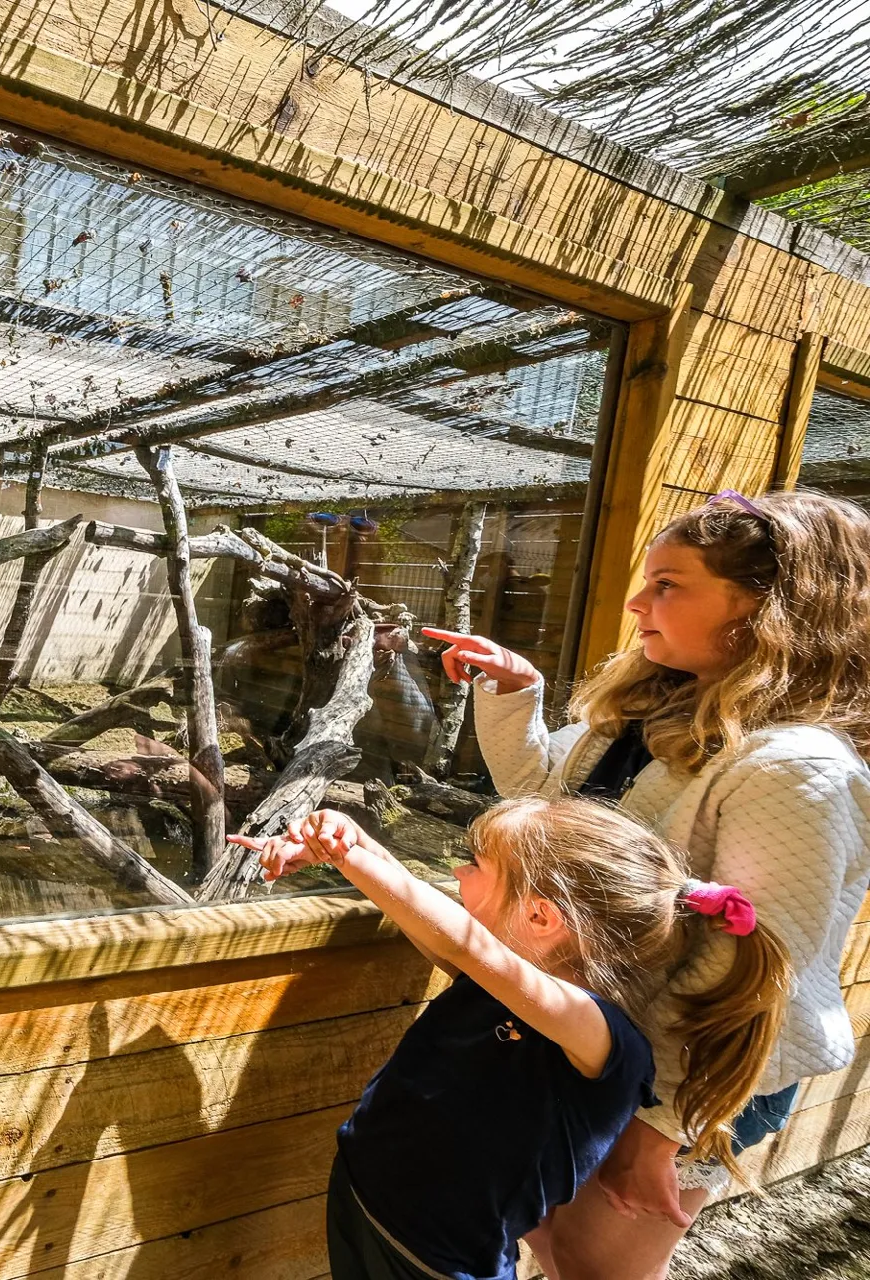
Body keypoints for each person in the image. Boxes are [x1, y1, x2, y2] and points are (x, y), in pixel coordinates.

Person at [427, 489, 870, 1278]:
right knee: (551, 1245)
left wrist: (659, 1126)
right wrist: (515, 695)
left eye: (670, 584)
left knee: (599, 1267)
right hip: (609, 1041)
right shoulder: (647, 707)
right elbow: (544, 805)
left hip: (695, 1073)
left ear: (769, 607)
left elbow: (764, 974)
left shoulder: (795, 769)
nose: (637, 602)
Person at [230, 798, 787, 1280]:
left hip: (439, 1259)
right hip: (365, 1197)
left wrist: (352, 856)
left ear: (541, 917)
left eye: (475, 864)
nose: (456, 870)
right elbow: (449, 936)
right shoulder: (503, 979)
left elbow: (467, 945)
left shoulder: (602, 1038)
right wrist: (350, 845)